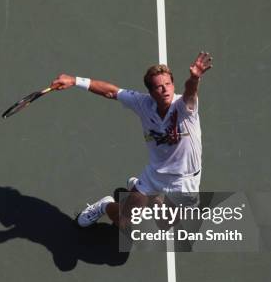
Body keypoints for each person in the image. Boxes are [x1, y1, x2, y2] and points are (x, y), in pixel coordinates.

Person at [49, 52, 213, 230]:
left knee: (166, 223)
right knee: (125, 223)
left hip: (186, 180)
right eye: (159, 87)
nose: (165, 89)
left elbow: (190, 92)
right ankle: (105, 205)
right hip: (155, 175)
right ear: (150, 92)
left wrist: (194, 78)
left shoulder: (185, 107)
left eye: (168, 84)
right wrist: (74, 80)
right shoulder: (142, 103)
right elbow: (111, 92)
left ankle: (145, 195)